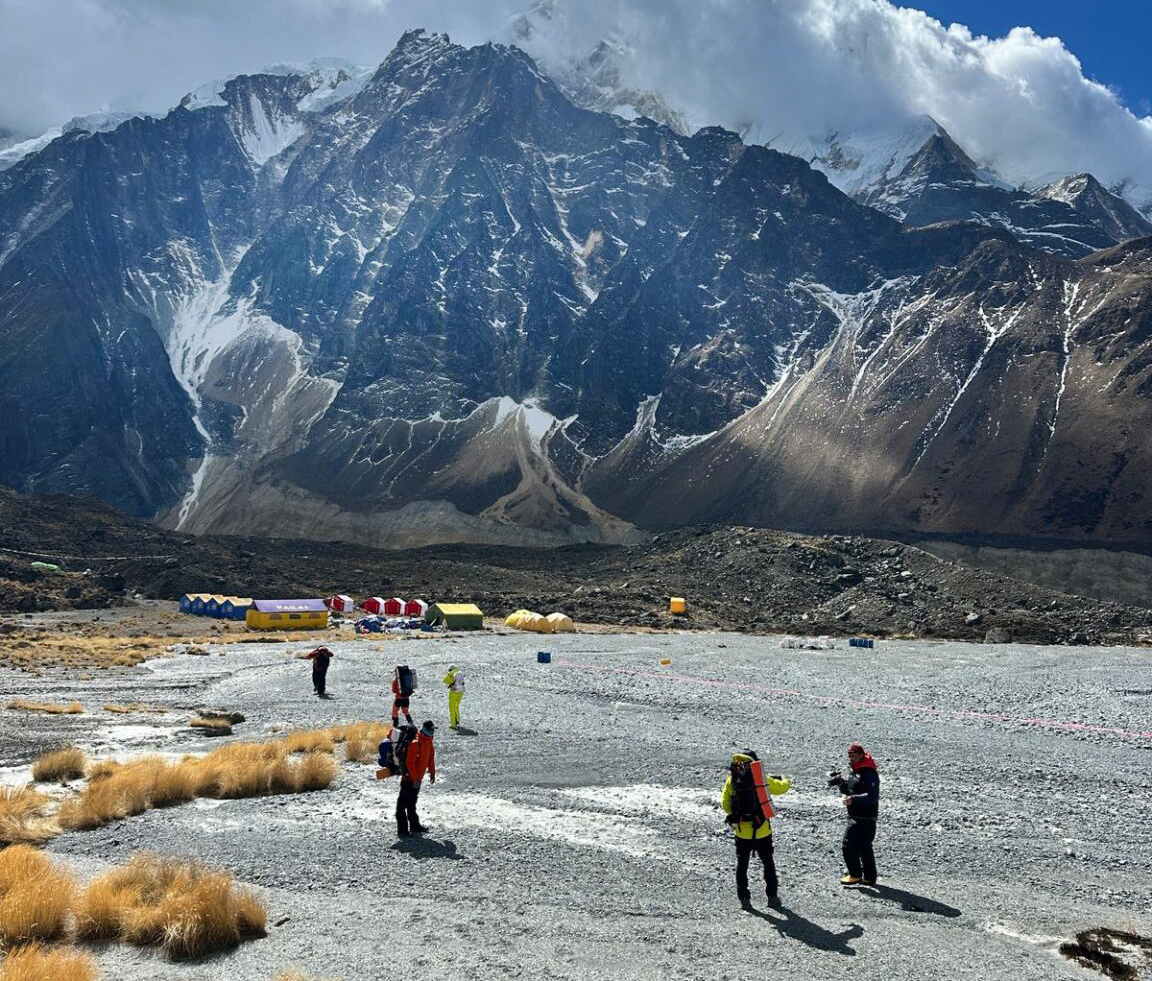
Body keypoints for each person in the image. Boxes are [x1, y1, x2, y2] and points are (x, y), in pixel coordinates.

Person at [720, 751, 791, 905]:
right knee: (768, 863)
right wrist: (786, 779)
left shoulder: (732, 779)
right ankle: (772, 897)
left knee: (742, 864)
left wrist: (739, 815)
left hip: (741, 832)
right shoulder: (760, 778)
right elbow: (782, 788)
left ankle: (744, 898)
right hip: (762, 829)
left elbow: (726, 805)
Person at [831, 741, 881, 886]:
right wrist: (841, 784)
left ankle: (855, 874)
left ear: (861, 754)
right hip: (859, 815)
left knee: (848, 845)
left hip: (864, 817)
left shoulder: (869, 773)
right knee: (865, 847)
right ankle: (870, 877)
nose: (851, 758)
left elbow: (872, 797)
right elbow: (852, 789)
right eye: (849, 755)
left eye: (853, 755)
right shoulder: (856, 770)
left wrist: (853, 800)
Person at [396, 720, 436, 837]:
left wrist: (432, 773)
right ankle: (402, 830)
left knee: (412, 803)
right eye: (432, 729)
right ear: (426, 729)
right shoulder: (415, 743)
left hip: (417, 780)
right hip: (409, 780)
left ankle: (414, 826)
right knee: (402, 805)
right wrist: (415, 779)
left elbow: (430, 759)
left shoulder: (428, 742)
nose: (433, 731)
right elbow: (409, 763)